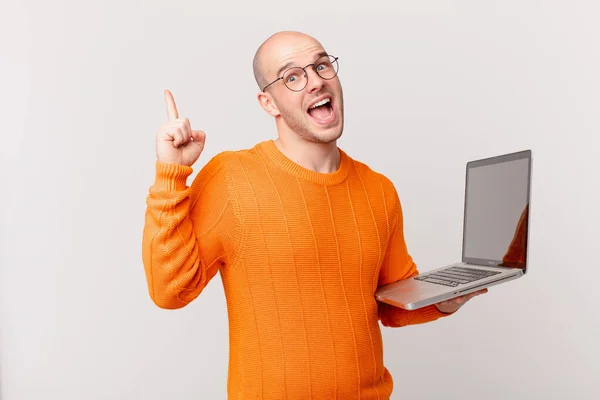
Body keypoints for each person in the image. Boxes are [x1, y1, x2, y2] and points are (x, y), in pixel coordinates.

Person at [142, 31, 486, 400]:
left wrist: (441, 300)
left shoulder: (379, 190)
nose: (316, 80)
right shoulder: (232, 178)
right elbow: (169, 291)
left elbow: (389, 303)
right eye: (292, 76)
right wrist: (171, 174)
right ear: (269, 103)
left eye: (322, 66)